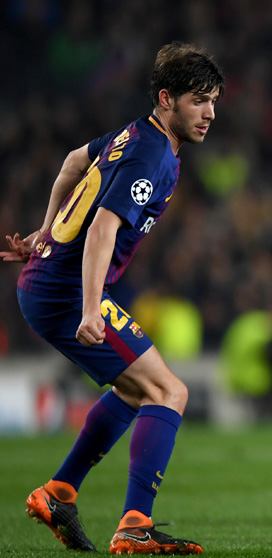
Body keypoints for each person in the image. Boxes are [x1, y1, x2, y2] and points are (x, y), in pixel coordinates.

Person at [2, 42, 224, 555]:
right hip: (65, 292)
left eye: (214, 101)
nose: (210, 113)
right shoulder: (151, 153)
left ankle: (59, 493)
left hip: (48, 282)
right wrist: (88, 307)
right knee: (169, 393)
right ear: (166, 99)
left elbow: (72, 163)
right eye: (198, 101)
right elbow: (103, 228)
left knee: (133, 391)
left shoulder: (133, 135)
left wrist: (45, 231)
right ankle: (134, 526)